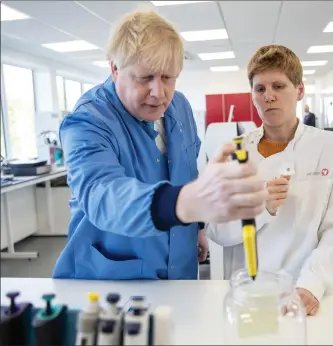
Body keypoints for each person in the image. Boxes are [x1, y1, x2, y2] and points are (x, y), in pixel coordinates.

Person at [52, 10, 267, 280]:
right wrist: (187, 204)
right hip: (112, 282)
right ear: (115, 68)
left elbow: (188, 173)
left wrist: (197, 226)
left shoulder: (180, 107)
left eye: (168, 78)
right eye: (145, 78)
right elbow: (102, 194)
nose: (158, 92)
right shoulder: (88, 121)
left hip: (180, 271)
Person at [205, 45, 333, 315]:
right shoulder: (235, 152)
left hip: (308, 291)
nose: (269, 96)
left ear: (299, 90)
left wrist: (312, 284)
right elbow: (217, 231)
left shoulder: (332, 147)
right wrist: (259, 206)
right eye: (260, 89)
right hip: (248, 293)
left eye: (278, 86)